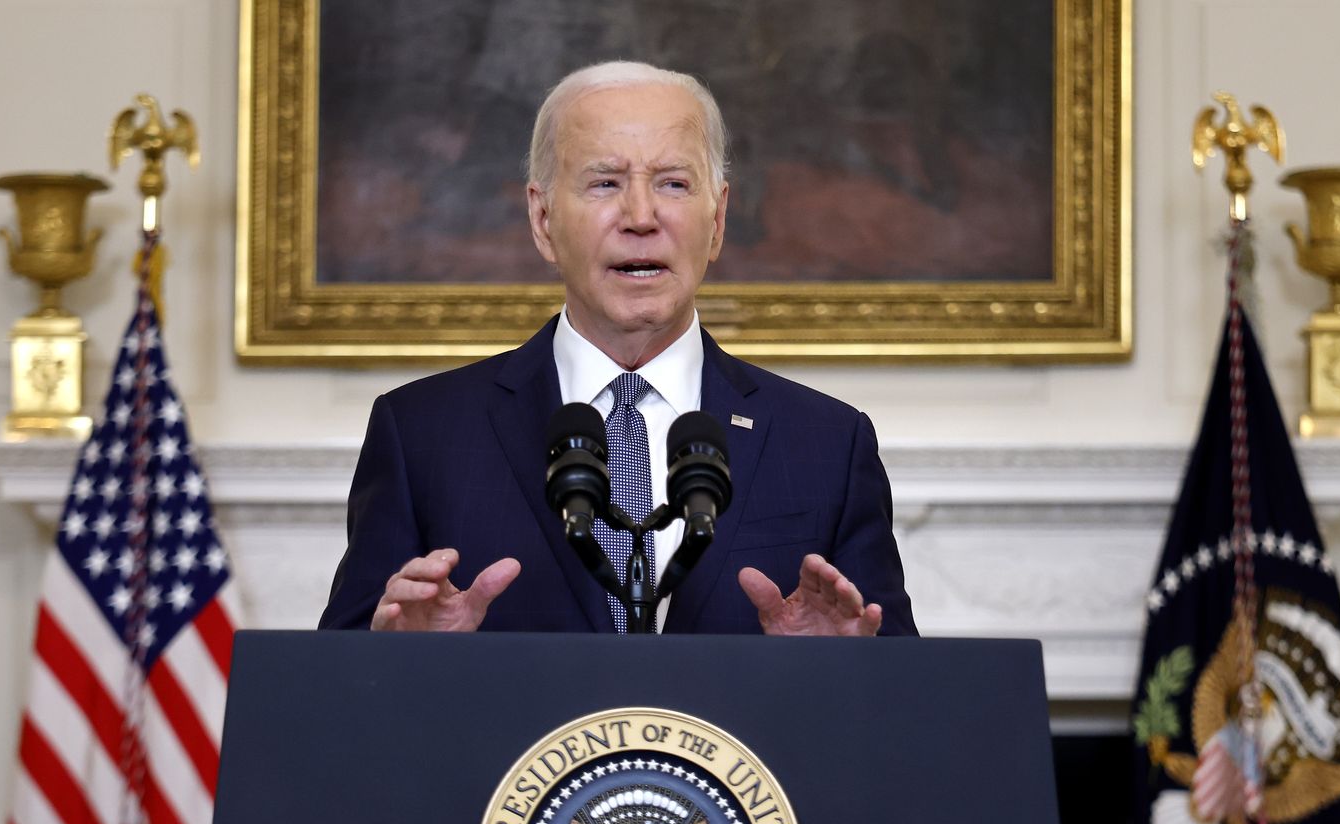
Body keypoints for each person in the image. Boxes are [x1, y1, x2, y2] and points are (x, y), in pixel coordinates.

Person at [319, 61, 916, 637]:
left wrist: (838, 671)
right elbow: (338, 683)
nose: (640, 216)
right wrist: (403, 659)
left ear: (717, 221)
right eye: (605, 183)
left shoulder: (828, 443)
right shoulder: (421, 434)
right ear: (543, 219)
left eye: (673, 184)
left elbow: (901, 686)